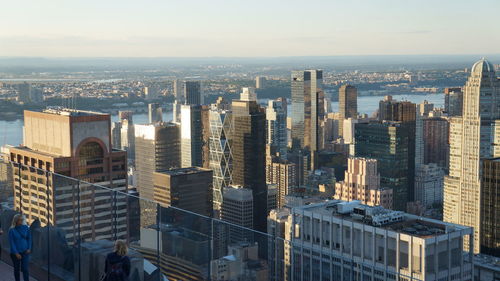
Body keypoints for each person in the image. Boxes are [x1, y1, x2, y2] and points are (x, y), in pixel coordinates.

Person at [8, 214, 32, 281]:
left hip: (25, 252)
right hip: (15, 254)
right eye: (20, 220)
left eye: (22, 219)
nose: (22, 221)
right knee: (17, 269)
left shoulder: (26, 228)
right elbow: (11, 243)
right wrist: (16, 253)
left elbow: (29, 238)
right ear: (16, 220)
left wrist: (29, 248)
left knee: (25, 269)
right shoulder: (11, 230)